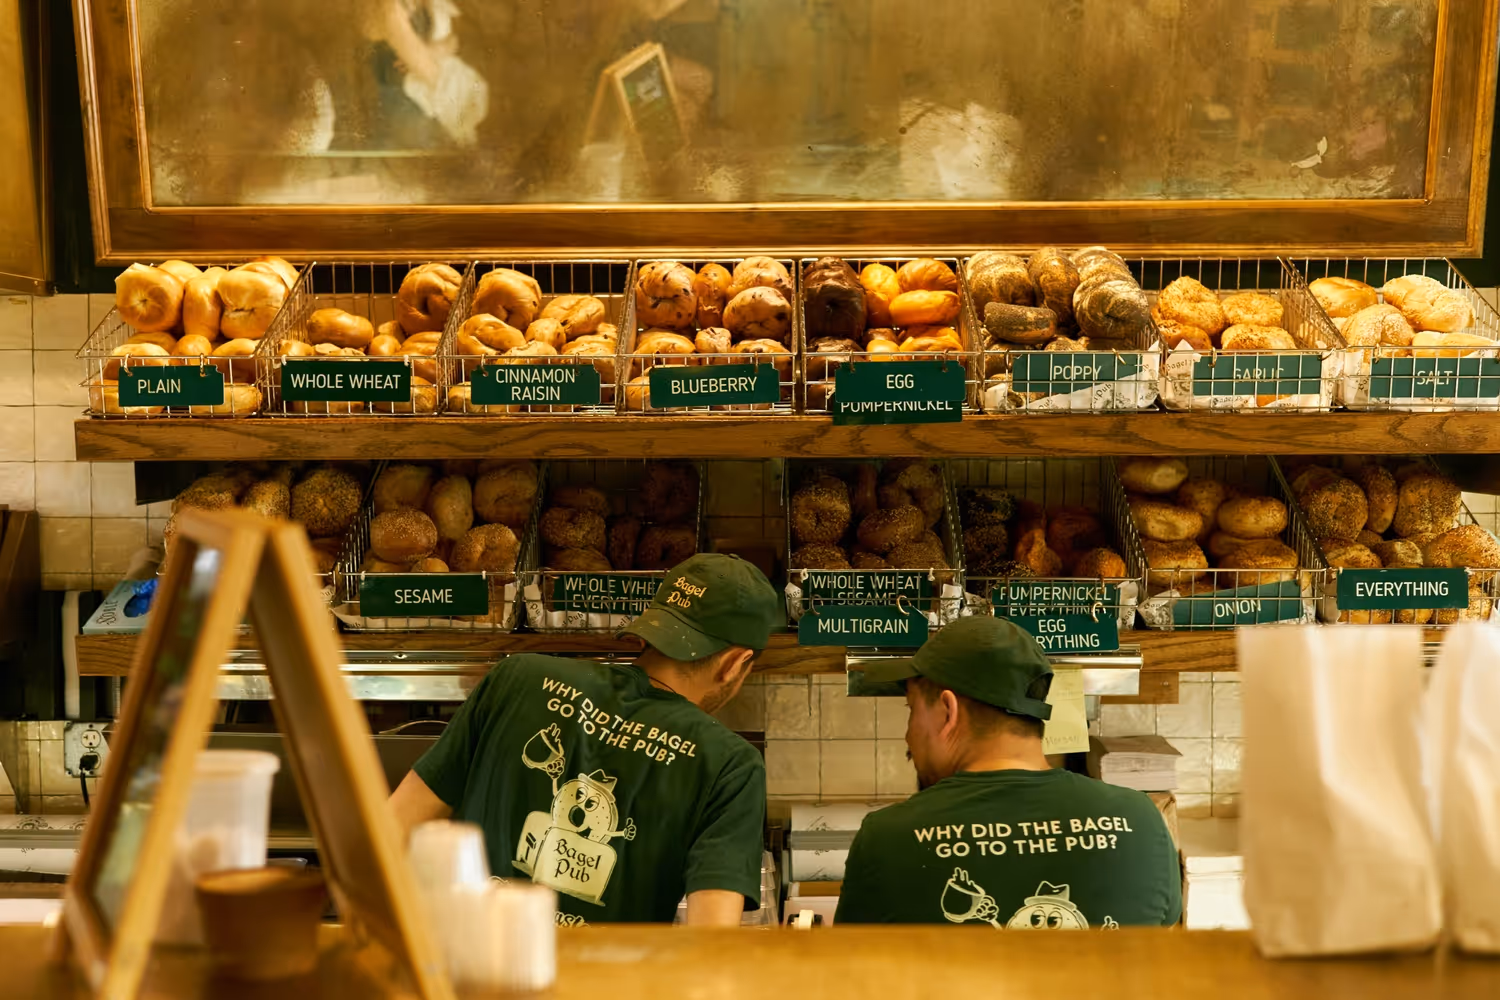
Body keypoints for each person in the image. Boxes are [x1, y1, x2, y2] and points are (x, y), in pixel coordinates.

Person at [390, 553, 781, 927]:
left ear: (652, 629)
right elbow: (710, 947)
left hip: (459, 978)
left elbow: (391, 832)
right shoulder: (731, 766)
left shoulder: (516, 679)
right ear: (734, 665)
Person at [835, 616, 1182, 928]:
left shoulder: (885, 840)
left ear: (947, 711)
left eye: (912, 709)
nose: (909, 733)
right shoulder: (1141, 820)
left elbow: (848, 978)